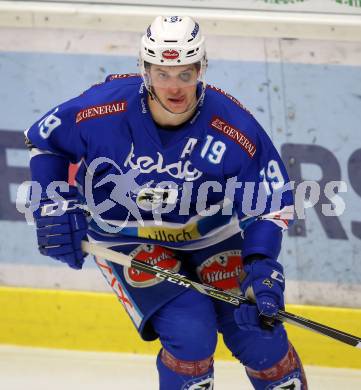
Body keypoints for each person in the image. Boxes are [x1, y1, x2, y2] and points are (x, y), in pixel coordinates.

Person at [25, 15, 308, 389]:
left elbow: (269, 202)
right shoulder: (101, 111)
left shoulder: (232, 125)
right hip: (126, 236)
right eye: (162, 73)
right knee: (190, 334)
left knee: (262, 339)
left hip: (213, 235)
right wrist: (54, 205)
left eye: (185, 74)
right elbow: (46, 142)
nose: (174, 87)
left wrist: (262, 264)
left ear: (201, 69)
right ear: (144, 71)